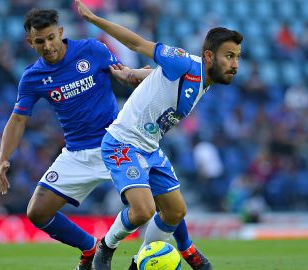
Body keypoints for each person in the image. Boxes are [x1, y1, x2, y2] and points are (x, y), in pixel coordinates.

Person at [0, 8, 210, 270]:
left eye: (51, 37)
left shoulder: (92, 50)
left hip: (119, 141)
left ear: (60, 33)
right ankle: (90, 247)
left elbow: (119, 72)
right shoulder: (32, 77)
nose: (48, 46)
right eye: (40, 41)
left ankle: (187, 248)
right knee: (38, 212)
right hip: (77, 154)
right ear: (31, 43)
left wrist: (131, 76)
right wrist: (3, 158)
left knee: (161, 201)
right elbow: (18, 119)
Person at [75, 1, 242, 270]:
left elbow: (159, 78)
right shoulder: (183, 62)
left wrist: (134, 75)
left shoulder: (205, 82)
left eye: (237, 57)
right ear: (209, 56)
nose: (235, 64)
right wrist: (94, 19)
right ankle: (105, 247)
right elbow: (137, 44)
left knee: (176, 211)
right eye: (229, 56)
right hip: (123, 142)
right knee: (143, 210)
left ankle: (138, 262)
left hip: (150, 148)